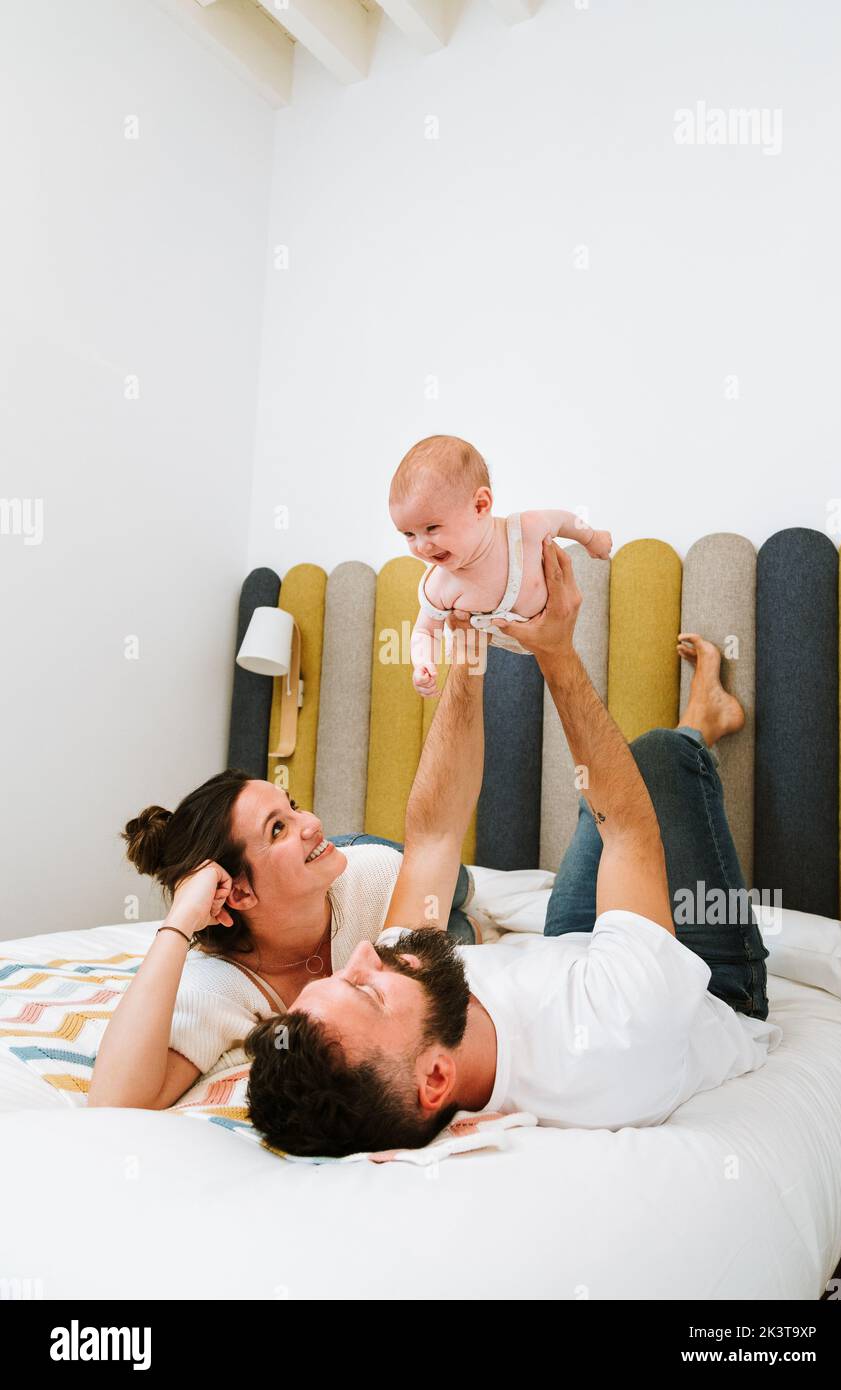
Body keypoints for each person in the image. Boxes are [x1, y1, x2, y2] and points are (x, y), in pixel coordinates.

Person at [244, 535, 781, 1157]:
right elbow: (629, 831)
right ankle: (704, 723)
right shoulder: (615, 1030)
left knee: (602, 781)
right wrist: (555, 652)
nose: (363, 953)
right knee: (651, 765)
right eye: (364, 987)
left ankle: (678, 735)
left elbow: (435, 835)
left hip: (576, 951)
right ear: (437, 1078)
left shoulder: (406, 999)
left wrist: (467, 661)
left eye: (344, 974)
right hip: (701, 988)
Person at [88, 620, 480, 1111]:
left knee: (463, 888)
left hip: (360, 859)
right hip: (329, 875)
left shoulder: (375, 874)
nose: (311, 820)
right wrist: (178, 923)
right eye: (278, 828)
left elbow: (436, 840)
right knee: (463, 937)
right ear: (239, 893)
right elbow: (112, 1106)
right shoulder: (219, 987)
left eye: (292, 805)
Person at [390, 433, 611, 688]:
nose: (422, 546)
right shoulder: (440, 585)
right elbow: (425, 631)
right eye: (408, 534)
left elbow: (564, 521)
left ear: (480, 506)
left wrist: (592, 538)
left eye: (432, 528)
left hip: (557, 632)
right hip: (494, 651)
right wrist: (423, 663)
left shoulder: (524, 531)